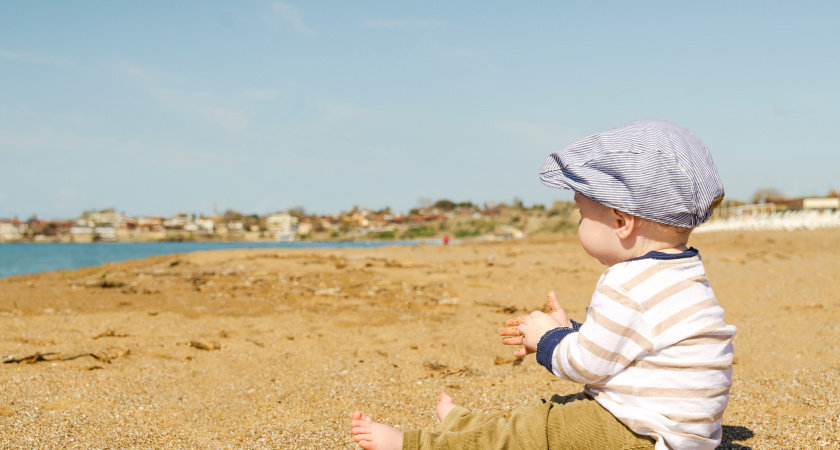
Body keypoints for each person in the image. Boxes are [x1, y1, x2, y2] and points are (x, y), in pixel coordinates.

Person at [351, 119, 736, 450]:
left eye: (583, 214)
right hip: (685, 435)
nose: (579, 223)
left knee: (535, 432)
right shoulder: (684, 272)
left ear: (621, 221)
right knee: (551, 414)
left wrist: (547, 340)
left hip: (640, 434)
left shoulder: (626, 282)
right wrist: (572, 331)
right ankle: (464, 423)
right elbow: (631, 346)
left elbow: (586, 366)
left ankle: (412, 443)